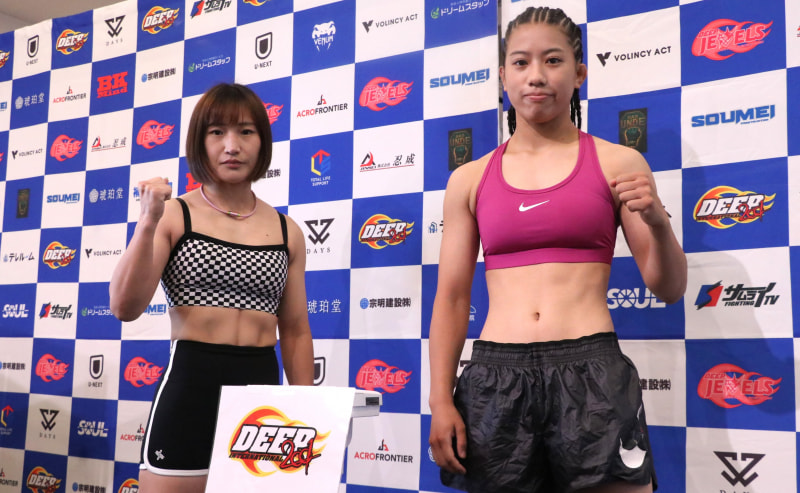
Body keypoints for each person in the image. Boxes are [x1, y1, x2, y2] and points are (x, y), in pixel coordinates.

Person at [428, 6, 686, 493]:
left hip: (592, 373)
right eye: (521, 62)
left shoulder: (619, 162)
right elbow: (452, 298)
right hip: (496, 377)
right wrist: (440, 399)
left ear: (579, 73)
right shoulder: (469, 179)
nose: (536, 76)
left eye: (552, 60)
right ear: (503, 75)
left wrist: (657, 223)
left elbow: (669, 287)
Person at [110, 82, 314, 493]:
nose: (232, 146)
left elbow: (294, 330)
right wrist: (147, 221)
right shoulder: (174, 215)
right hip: (191, 388)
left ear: (262, 142)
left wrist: (306, 409)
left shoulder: (286, 230)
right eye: (217, 132)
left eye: (246, 132)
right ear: (199, 142)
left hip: (260, 396)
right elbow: (124, 307)